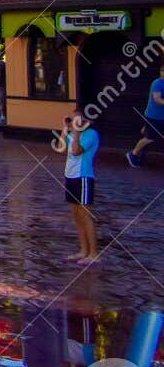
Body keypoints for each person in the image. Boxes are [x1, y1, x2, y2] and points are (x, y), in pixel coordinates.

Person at [62, 112, 101, 264]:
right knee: (76, 216)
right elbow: (60, 147)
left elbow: (76, 151)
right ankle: (83, 250)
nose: (72, 122)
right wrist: (64, 130)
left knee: (85, 215)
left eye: (75, 119)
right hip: (70, 176)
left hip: (83, 177)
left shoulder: (91, 134)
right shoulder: (72, 132)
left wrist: (77, 133)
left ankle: (94, 253)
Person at [125, 60, 164, 168]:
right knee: (150, 137)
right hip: (155, 116)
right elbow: (157, 99)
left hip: (159, 117)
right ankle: (133, 154)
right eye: (162, 71)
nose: (163, 73)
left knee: (150, 135)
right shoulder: (158, 83)